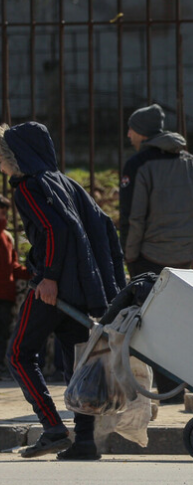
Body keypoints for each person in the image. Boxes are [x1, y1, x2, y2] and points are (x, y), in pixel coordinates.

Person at [1, 121, 126, 460]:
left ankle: (53, 428)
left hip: (54, 288)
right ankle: (84, 442)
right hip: (81, 288)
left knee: (18, 354)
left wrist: (50, 276)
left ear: (13, 156)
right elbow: (100, 225)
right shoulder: (64, 183)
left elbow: (54, 229)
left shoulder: (28, 186)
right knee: (77, 364)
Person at [119, 103, 193, 401]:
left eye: (131, 128)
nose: (128, 134)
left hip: (148, 257)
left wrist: (130, 254)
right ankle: (181, 385)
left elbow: (133, 217)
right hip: (184, 258)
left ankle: (166, 390)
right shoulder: (190, 161)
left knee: (151, 326)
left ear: (141, 132)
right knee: (180, 322)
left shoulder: (138, 165)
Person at [0, 195, 31, 379]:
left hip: (5, 294)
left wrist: (31, 274)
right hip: (4, 293)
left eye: (5, 213)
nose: (3, 217)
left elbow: (12, 266)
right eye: (1, 212)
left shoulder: (6, 237)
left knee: (3, 333)